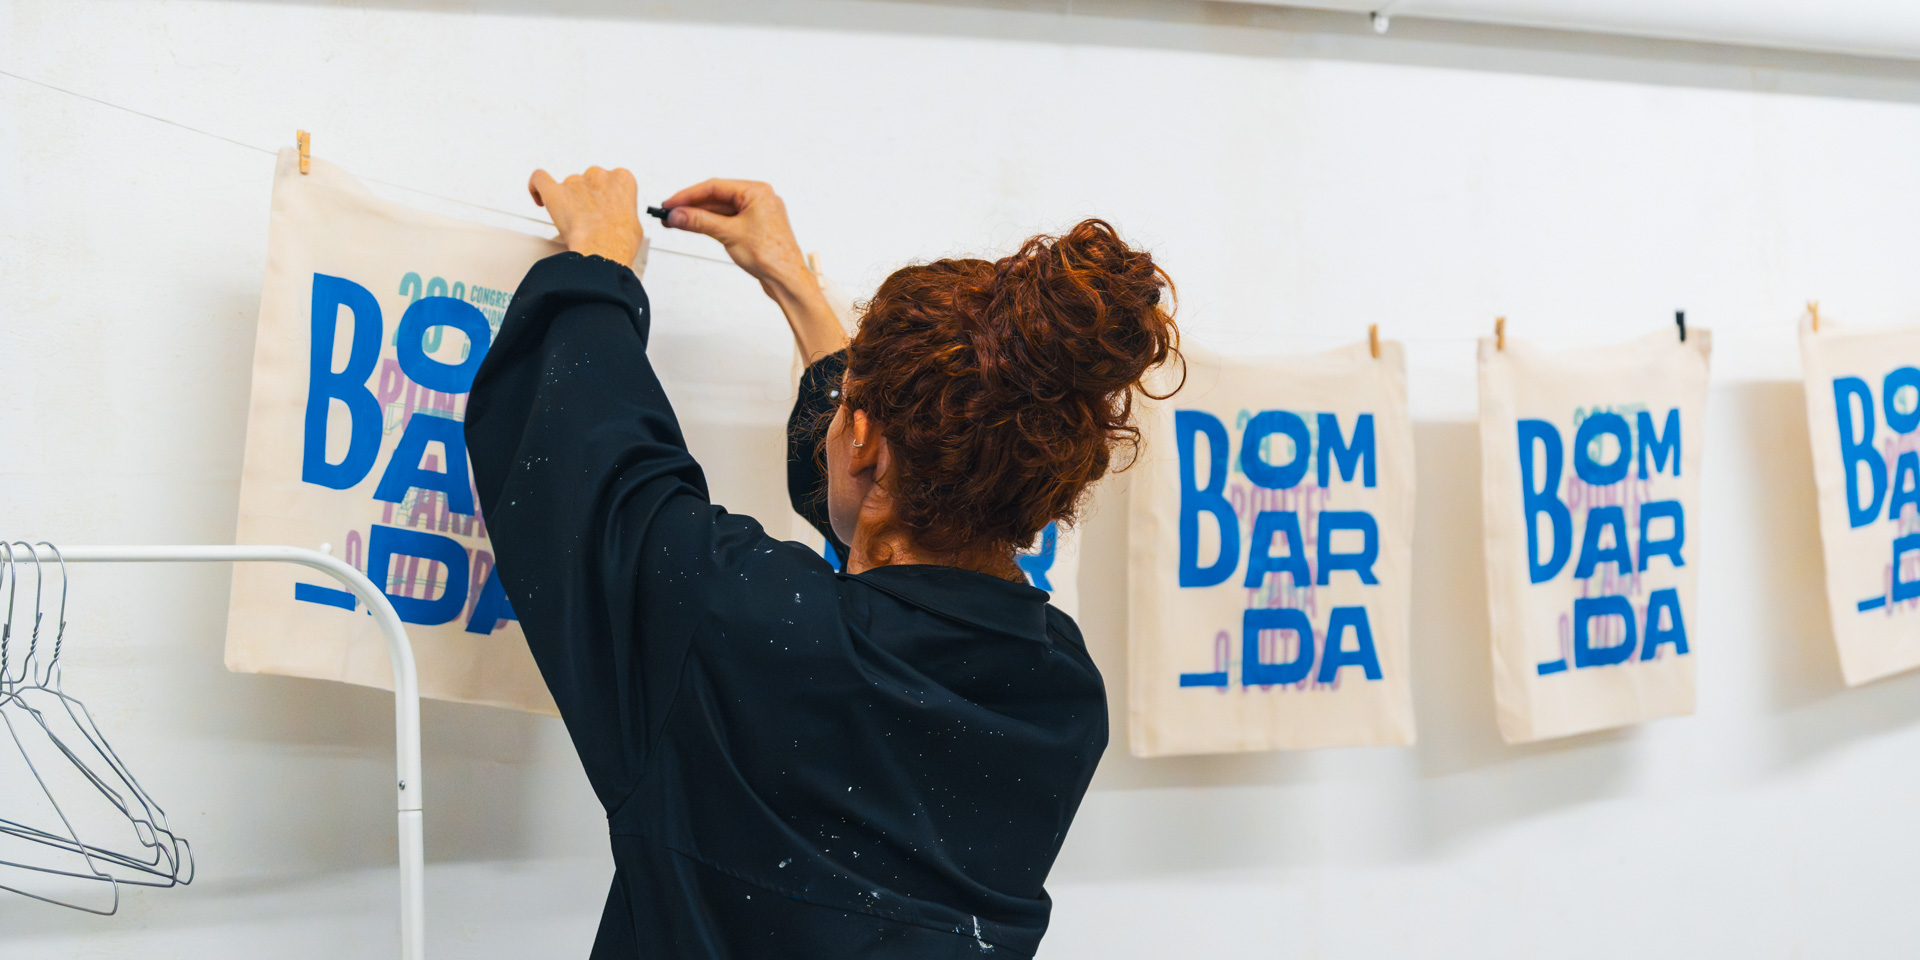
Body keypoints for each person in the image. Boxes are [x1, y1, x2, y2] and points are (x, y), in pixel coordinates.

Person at [465, 165, 1178, 958]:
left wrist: (598, 264)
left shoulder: (738, 624)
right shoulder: (1063, 692)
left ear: (863, 438)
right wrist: (795, 286)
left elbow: (592, 467)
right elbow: (903, 546)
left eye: (845, 409)